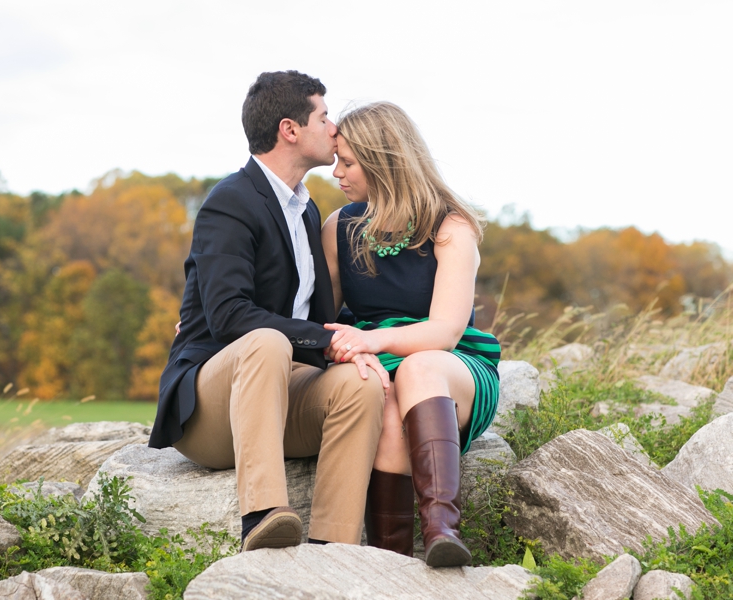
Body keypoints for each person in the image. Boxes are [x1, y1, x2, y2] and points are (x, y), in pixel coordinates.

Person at [148, 71, 387, 551]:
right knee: (264, 340)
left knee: (360, 385)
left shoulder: (308, 211)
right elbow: (231, 318)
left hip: (284, 392)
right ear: (290, 129)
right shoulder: (230, 202)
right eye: (323, 115)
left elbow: (320, 313)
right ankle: (262, 515)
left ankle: (333, 548)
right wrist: (324, 340)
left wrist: (359, 344)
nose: (333, 127)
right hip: (211, 409)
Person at [320, 102, 501, 567]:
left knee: (418, 369)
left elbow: (445, 329)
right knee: (384, 406)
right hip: (380, 364)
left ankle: (443, 530)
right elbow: (316, 311)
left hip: (450, 366)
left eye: (348, 162)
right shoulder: (338, 227)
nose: (336, 172)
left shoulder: (450, 226)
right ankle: (391, 561)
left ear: (382, 162)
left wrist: (373, 342)